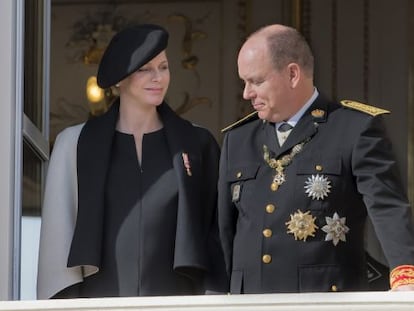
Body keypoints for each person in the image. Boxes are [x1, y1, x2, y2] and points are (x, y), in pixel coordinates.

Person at [218, 23, 414, 294]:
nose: (247, 93)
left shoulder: (353, 129)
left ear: (292, 74)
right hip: (250, 299)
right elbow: (224, 231)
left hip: (323, 298)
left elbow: (387, 207)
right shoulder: (238, 140)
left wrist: (406, 279)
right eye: (244, 82)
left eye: (256, 81)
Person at [37, 23, 227, 299]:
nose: (158, 77)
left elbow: (214, 234)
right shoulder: (74, 145)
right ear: (118, 79)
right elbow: (58, 237)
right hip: (97, 303)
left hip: (180, 302)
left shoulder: (198, 144)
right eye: (144, 69)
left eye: (163, 67)